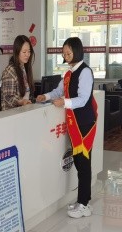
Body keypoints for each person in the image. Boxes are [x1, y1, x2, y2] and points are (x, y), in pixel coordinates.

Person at [36, 37, 97, 219]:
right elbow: (59, 91)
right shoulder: (69, 73)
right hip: (74, 123)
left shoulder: (85, 72)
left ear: (77, 51)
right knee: (79, 162)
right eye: (64, 53)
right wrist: (46, 96)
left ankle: (84, 204)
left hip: (84, 123)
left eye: (68, 53)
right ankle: (82, 201)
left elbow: (83, 99)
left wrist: (64, 102)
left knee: (83, 164)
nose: (65, 56)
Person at [1, 34, 34, 110]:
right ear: (17, 52)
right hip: (11, 114)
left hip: (23, 111)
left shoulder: (24, 67)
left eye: (29, 51)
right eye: (24, 52)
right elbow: (8, 97)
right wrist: (21, 102)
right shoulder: (10, 71)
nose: (27, 55)